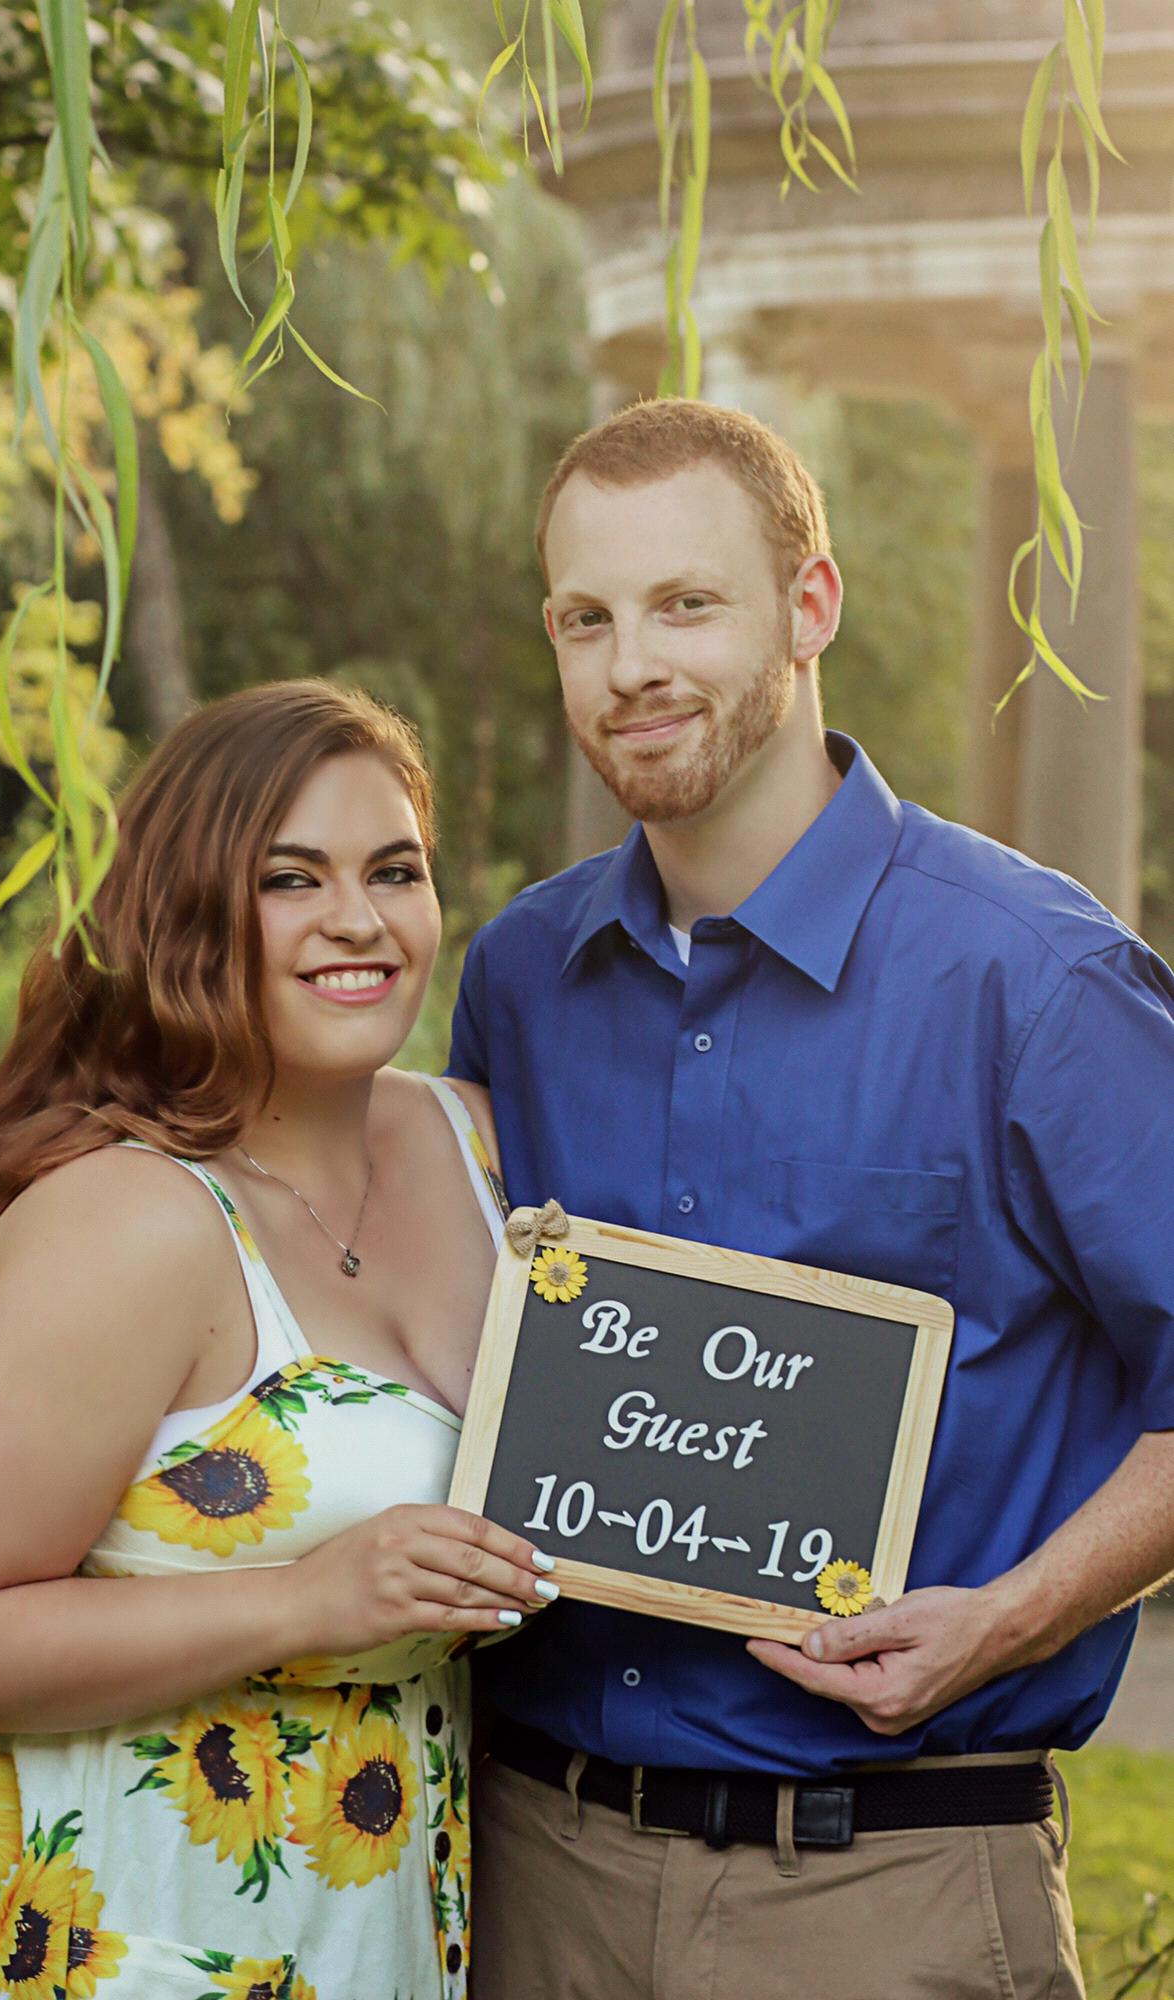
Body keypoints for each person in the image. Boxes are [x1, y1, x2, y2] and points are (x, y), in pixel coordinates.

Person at [449, 398, 1174, 2000]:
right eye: (585, 618)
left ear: (810, 605)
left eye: (684, 604)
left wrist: (1009, 1619)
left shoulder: (1036, 982)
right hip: (527, 1870)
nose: (629, 665)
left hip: (887, 1889)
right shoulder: (520, 979)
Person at [0, 679, 555, 2000]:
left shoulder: (483, 1151)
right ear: (188, 912)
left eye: (393, 870)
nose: (358, 919)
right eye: (291, 879)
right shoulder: (132, 1223)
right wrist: (304, 1601)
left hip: (371, 1912)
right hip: (88, 1924)